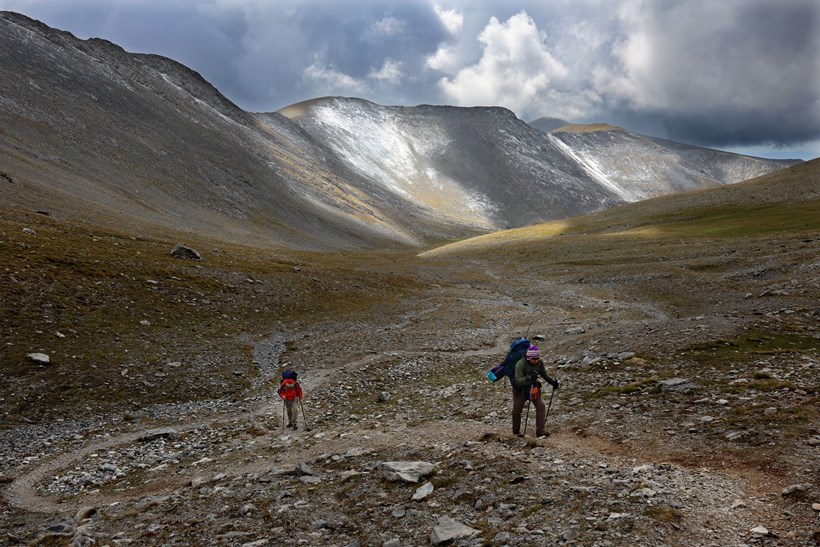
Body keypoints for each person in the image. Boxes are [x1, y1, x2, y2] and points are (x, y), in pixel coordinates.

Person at [512, 345, 559, 437]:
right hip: (520, 391)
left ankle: (540, 431)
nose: (536, 360)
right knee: (517, 410)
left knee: (541, 406)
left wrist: (552, 382)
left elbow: (544, 374)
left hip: (533, 388)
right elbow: (518, 381)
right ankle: (516, 432)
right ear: (529, 357)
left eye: (537, 358)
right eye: (534, 359)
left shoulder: (539, 363)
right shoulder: (520, 364)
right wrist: (528, 377)